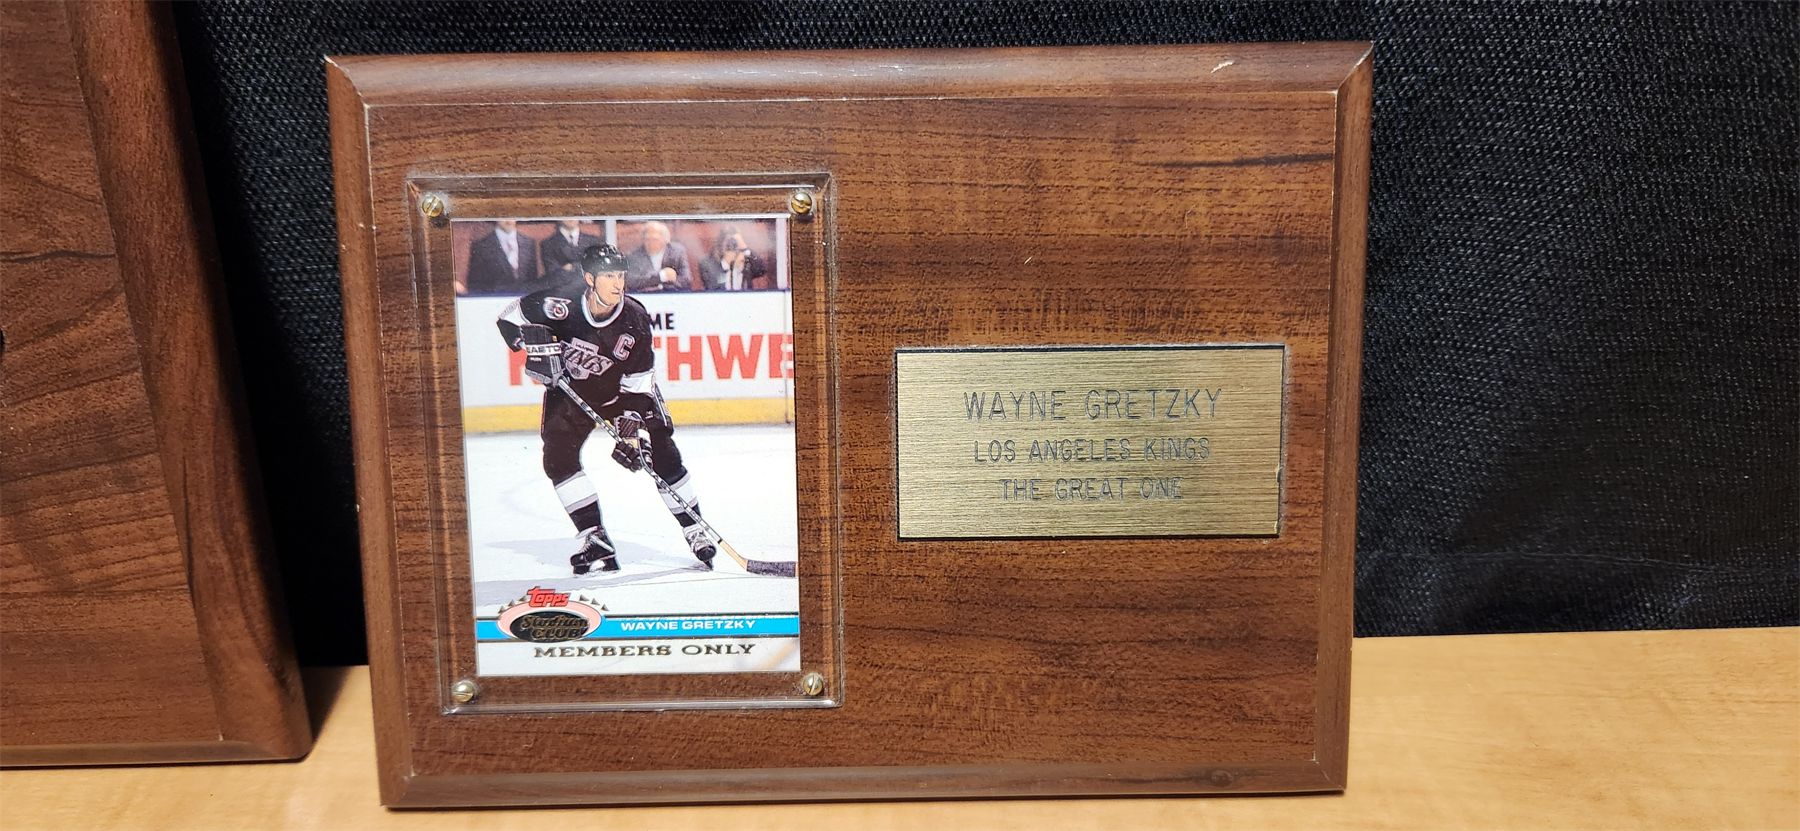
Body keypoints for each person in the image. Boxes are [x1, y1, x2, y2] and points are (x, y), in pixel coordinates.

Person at [495, 244, 716, 574]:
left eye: (620, 276)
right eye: (609, 276)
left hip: (625, 396)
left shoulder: (634, 318)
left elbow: (638, 384)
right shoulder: (561, 302)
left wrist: (630, 435)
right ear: (589, 279)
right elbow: (510, 317)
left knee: (662, 454)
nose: (617, 284)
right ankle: (594, 536)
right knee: (557, 458)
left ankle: (695, 529)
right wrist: (529, 345)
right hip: (573, 392)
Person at [463, 219, 540, 294]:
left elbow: (532, 280)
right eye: (503, 214)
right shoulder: (481, 246)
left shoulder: (529, 243)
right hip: (495, 299)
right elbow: (475, 285)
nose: (508, 218)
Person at [624, 220, 692, 292]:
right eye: (647, 239)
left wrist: (663, 286)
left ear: (665, 240)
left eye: (654, 239)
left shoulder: (677, 252)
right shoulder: (634, 256)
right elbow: (632, 282)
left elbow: (687, 280)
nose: (650, 243)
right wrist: (661, 276)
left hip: (672, 294)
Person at [698, 225, 769, 291]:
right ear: (721, 243)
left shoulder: (746, 262)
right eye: (729, 243)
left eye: (735, 243)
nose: (732, 246)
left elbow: (762, 270)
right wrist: (727, 264)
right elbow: (711, 287)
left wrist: (745, 248)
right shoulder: (708, 264)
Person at [540, 219, 604, 281]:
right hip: (563, 285)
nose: (571, 218)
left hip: (588, 284)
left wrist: (573, 266)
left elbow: (597, 266)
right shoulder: (548, 243)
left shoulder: (593, 241)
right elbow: (552, 272)